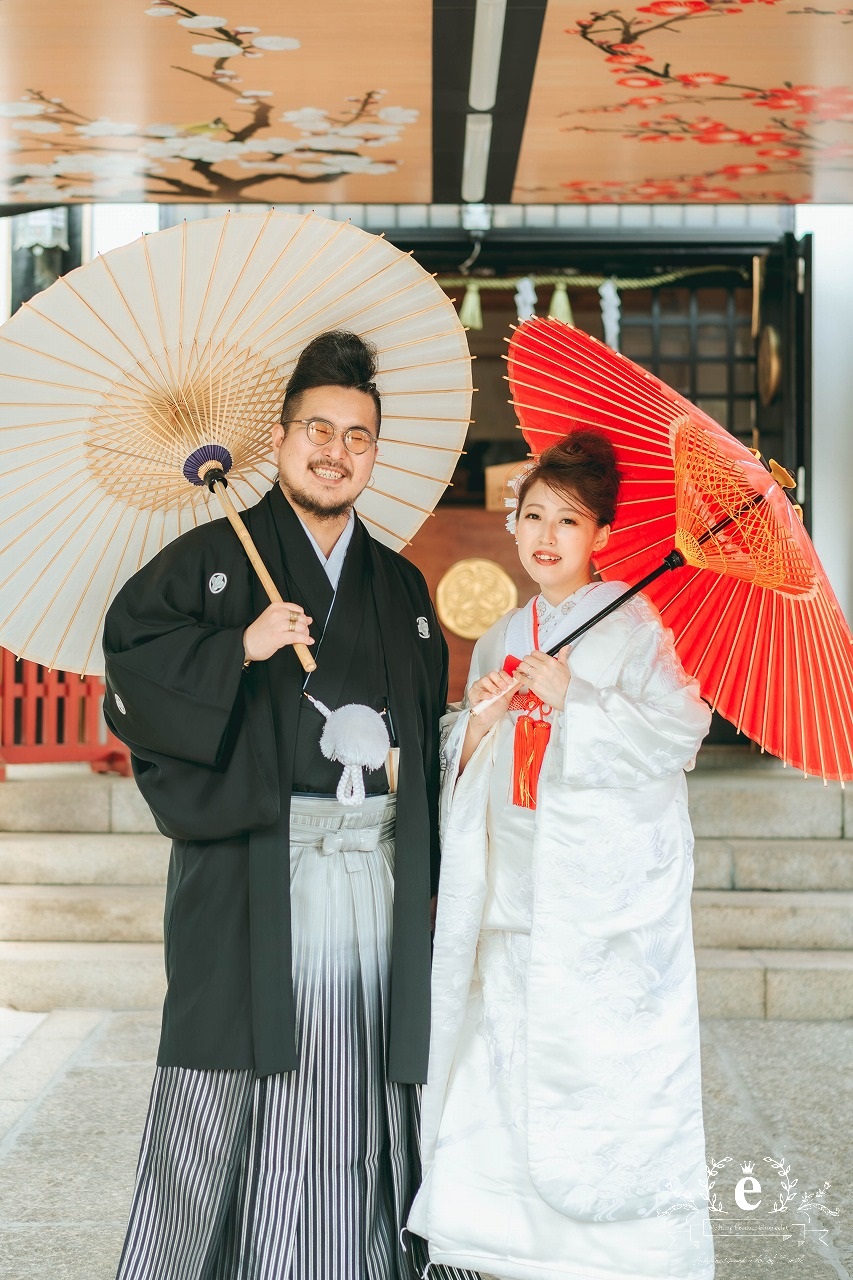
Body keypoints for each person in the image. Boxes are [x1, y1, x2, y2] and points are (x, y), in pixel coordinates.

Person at [104, 331, 450, 1280]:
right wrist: (238, 649)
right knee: (220, 1090)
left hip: (372, 880)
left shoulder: (402, 588)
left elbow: (423, 740)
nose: (336, 450)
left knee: (356, 1090)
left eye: (359, 436)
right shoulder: (212, 561)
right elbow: (128, 670)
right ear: (280, 435)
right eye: (318, 429)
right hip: (257, 866)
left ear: (374, 453)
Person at [408, 430, 716, 1280]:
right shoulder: (503, 629)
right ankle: (489, 1240)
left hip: (591, 898)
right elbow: (464, 764)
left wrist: (573, 698)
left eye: (568, 521)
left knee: (592, 1066)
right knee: (498, 1043)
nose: (546, 536)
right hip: (509, 881)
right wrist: (476, 720)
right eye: (533, 514)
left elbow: (676, 737)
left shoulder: (638, 621)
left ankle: (608, 1251)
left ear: (602, 537)